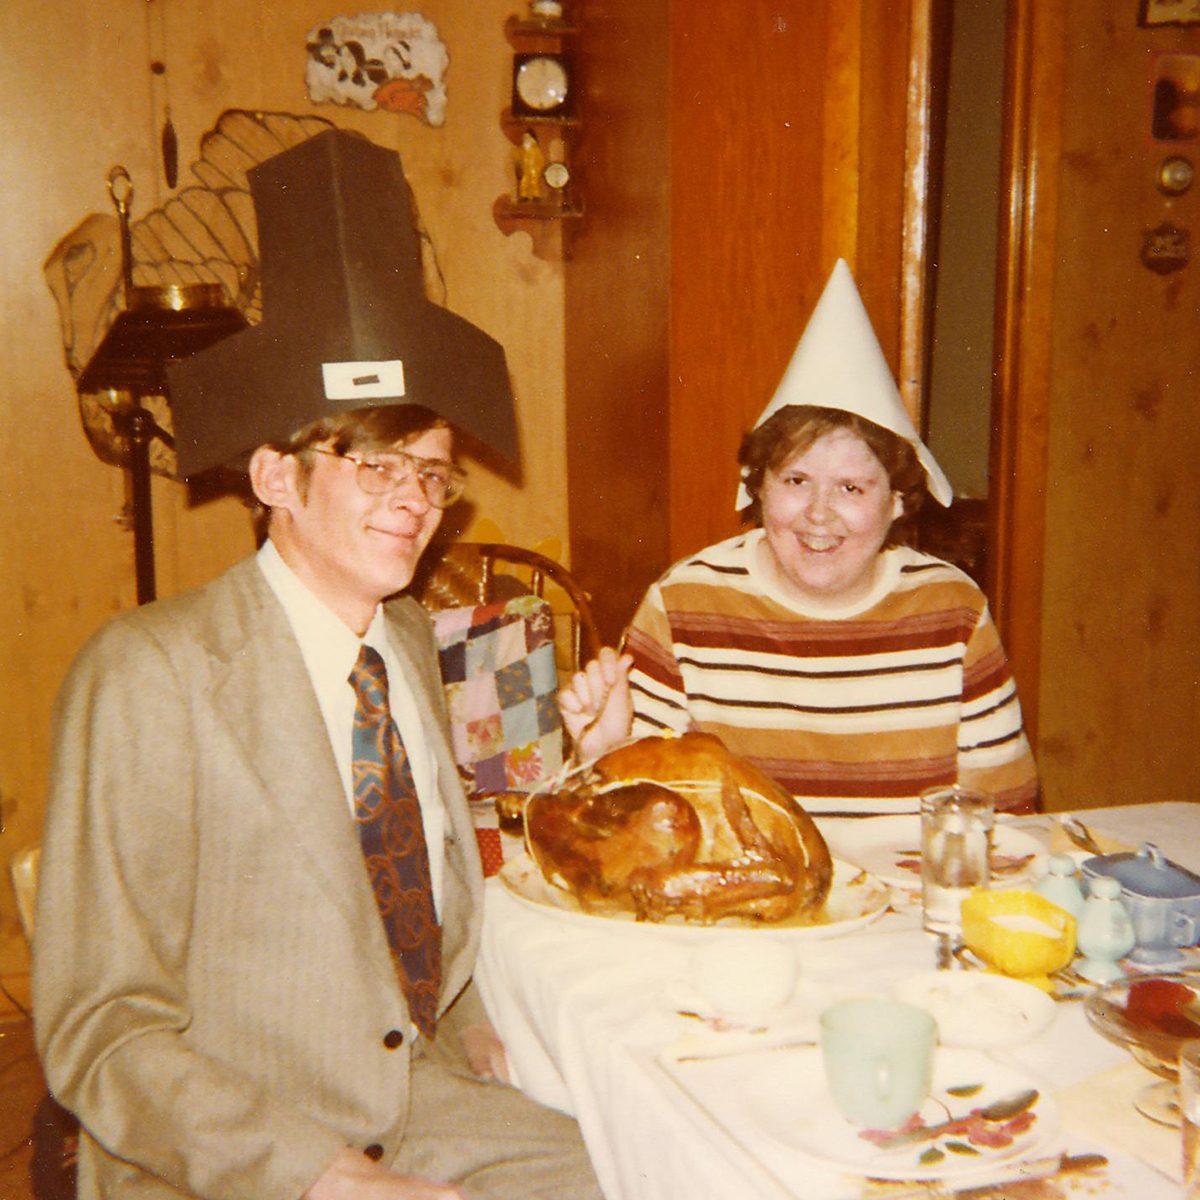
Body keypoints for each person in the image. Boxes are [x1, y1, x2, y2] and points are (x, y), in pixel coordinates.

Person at [33, 130, 601, 1200]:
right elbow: (103, 1030)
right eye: (372, 461)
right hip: (230, 1149)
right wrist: (318, 1176)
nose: (412, 500)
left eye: (432, 474)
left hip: (416, 1100)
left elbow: (418, 905)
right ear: (274, 476)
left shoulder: (412, 653)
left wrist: (472, 1025)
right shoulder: (149, 676)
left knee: (645, 1168)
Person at [561, 260, 1038, 815]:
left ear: (898, 502)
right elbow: (630, 827)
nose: (818, 515)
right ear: (758, 488)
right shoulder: (684, 604)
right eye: (795, 480)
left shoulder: (953, 610)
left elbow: (1005, 823)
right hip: (736, 896)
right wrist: (605, 756)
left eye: (851, 489)